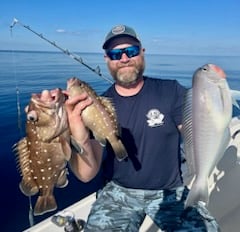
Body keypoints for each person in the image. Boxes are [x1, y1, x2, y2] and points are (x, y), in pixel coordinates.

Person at [65, 25, 220, 231]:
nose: (124, 58)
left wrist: (214, 94)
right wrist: (78, 134)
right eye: (115, 54)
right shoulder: (95, 107)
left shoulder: (171, 91)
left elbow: (198, 134)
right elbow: (86, 175)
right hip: (117, 193)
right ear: (107, 60)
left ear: (142, 52)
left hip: (170, 191)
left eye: (130, 51)